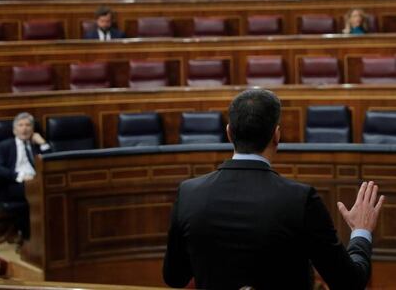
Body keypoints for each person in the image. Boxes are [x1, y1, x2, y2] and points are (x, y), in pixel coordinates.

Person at [163, 89, 385, 290]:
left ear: (229, 133)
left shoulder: (188, 193)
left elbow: (174, 277)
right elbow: (349, 283)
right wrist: (361, 231)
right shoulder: (300, 200)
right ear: (276, 135)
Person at [0, 112, 51, 245]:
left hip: (37, 182)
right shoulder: (4, 146)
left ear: (33, 129)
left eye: (28, 125)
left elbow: (51, 163)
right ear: (14, 130)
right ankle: (29, 239)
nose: (24, 129)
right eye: (21, 125)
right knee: (34, 192)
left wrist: (43, 143)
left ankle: (45, 237)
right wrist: (19, 176)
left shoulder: (36, 145)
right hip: (14, 184)